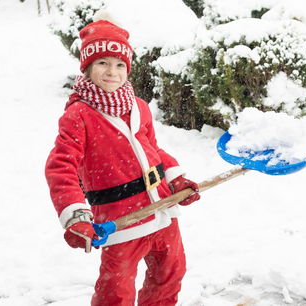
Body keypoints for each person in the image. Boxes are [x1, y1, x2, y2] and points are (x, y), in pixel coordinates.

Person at [45, 15, 200, 306]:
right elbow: (60, 166)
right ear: (88, 67)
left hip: (161, 209)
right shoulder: (78, 115)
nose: (112, 72)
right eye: (102, 63)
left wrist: (175, 178)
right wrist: (76, 216)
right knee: (115, 291)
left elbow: (152, 149)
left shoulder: (138, 106)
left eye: (119, 64)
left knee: (170, 274)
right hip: (119, 219)